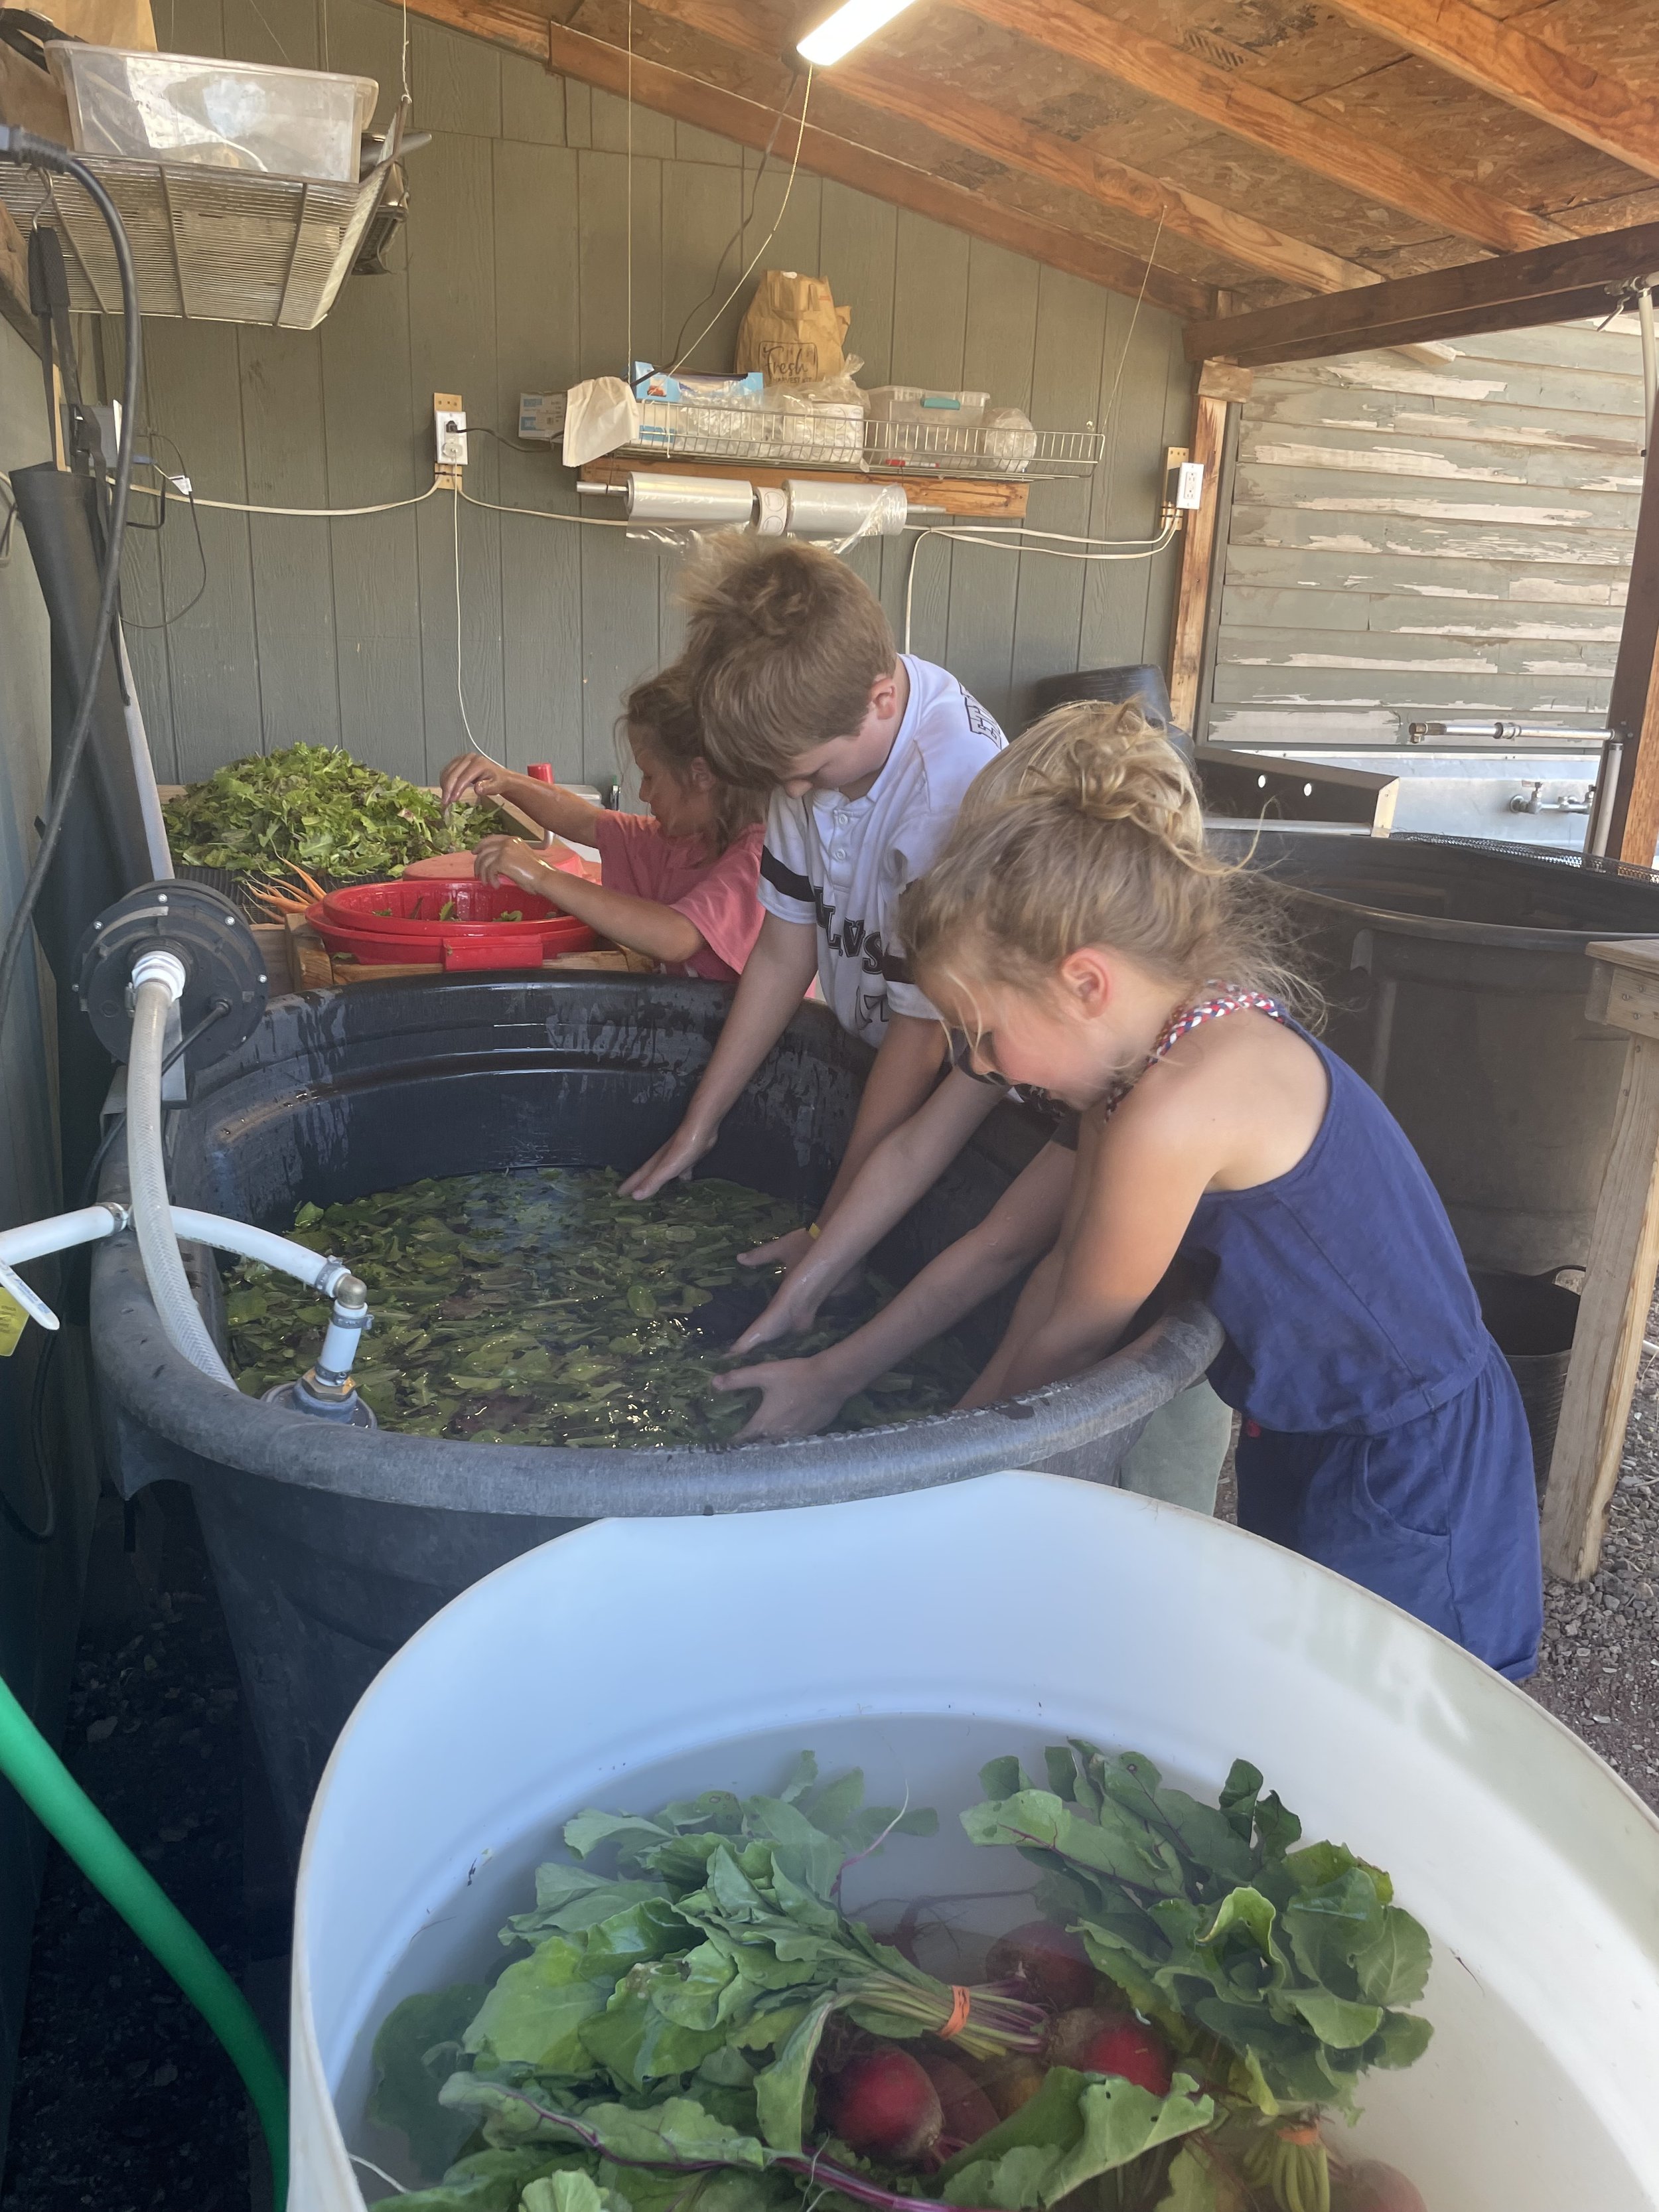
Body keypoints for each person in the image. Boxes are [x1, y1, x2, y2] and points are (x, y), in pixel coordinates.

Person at [717, 701, 1543, 1680]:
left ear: (1085, 982)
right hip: (1315, 1432)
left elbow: (1072, 1331)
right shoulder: (1146, 1062)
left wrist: (927, 1487)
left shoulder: (1174, 1107)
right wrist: (837, 1377)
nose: (981, 1067)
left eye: (983, 1033)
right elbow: (1007, 1251)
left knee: (1405, 1728)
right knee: (1305, 1702)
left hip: (1410, 1463)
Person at [620, 539, 1006, 1258]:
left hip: (962, 1088)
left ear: (880, 701)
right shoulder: (807, 734)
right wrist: (699, 1123)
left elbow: (920, 1037)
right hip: (871, 1040)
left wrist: (831, 1231)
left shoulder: (947, 798)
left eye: (808, 777)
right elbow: (780, 950)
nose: (794, 799)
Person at [437, 670, 765, 984]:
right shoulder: (681, 839)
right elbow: (583, 820)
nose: (643, 793)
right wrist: (505, 780)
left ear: (702, 775)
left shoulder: (757, 858)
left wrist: (541, 875)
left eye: (649, 776)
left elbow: (676, 937)